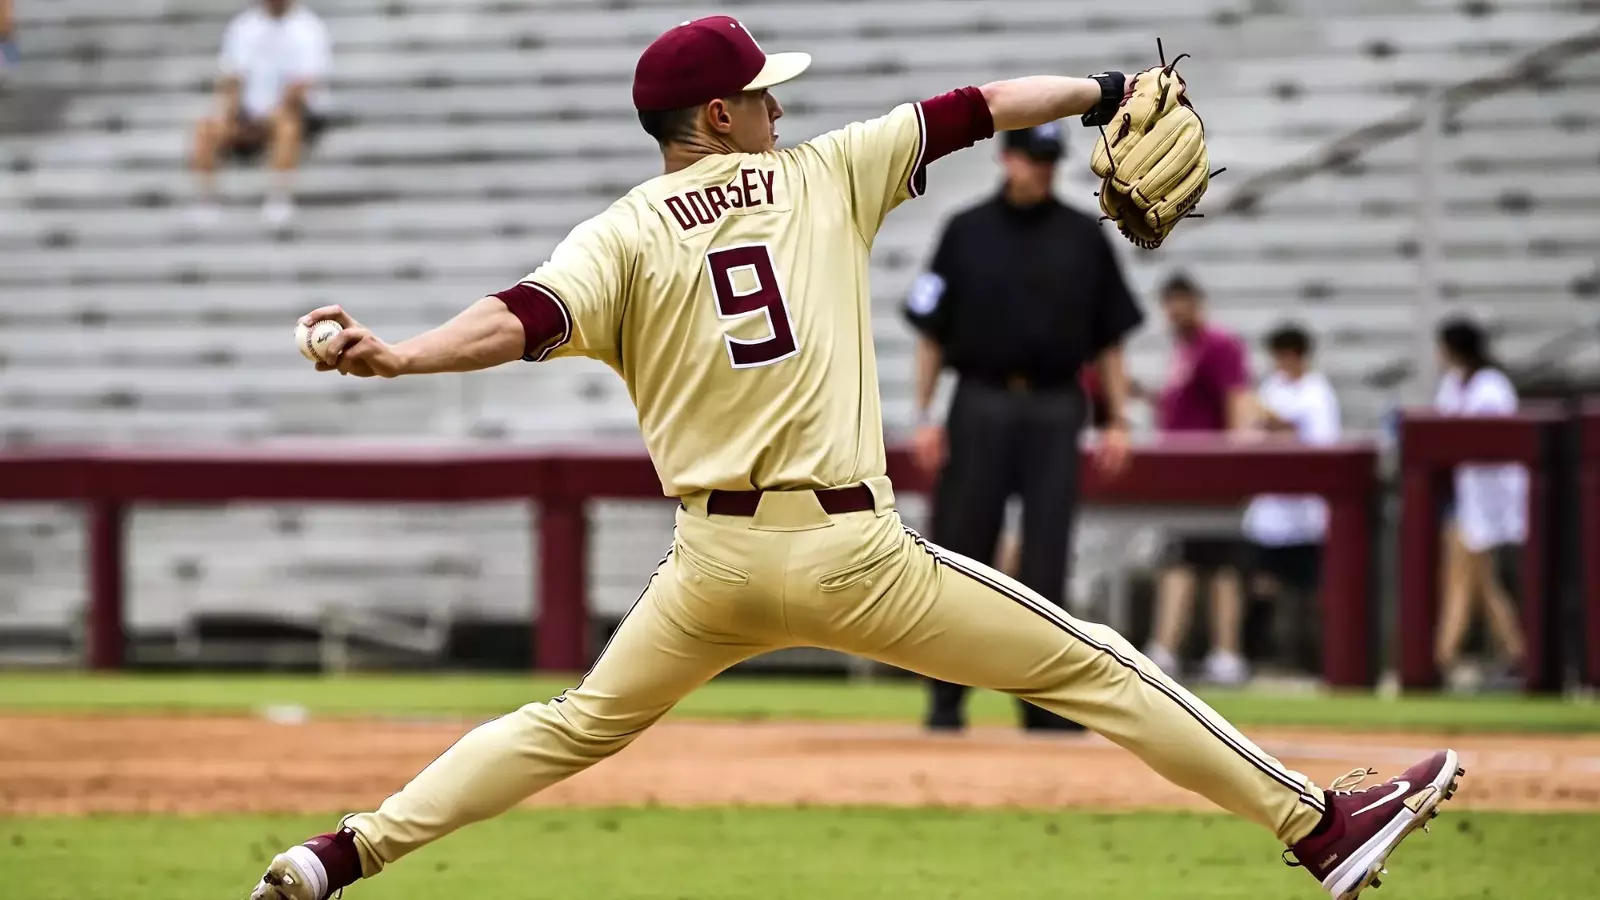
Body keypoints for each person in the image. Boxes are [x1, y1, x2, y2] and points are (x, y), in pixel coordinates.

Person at [247, 17, 1460, 900]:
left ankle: (341, 853)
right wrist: (1103, 88)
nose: (778, 105)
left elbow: (516, 319)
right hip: (847, 551)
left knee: (571, 723)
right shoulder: (822, 171)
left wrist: (398, 358)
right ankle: (1315, 825)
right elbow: (982, 106)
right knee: (1093, 664)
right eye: (762, 92)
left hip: (710, 565)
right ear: (719, 116)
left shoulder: (614, 233)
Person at [903, 123, 1142, 734]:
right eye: (1032, 158)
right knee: (959, 555)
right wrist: (925, 416)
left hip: (1056, 405)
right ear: (1006, 158)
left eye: (1050, 160)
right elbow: (931, 333)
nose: (1042, 170)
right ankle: (946, 699)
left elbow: (1108, 340)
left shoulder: (1081, 238)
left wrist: (1117, 419)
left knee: (1046, 560)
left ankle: (1046, 705)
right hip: (979, 400)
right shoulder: (965, 231)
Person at [1139, 273, 1254, 685]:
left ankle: (1219, 652)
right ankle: (1173, 648)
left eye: (1180, 301)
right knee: (1185, 559)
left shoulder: (1218, 345)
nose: (1173, 311)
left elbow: (1237, 401)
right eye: (1168, 302)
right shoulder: (1183, 352)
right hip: (1183, 474)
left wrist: (1234, 463)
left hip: (1210, 473)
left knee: (1215, 564)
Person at [1239, 324, 1340, 671]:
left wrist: (1282, 426)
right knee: (1262, 586)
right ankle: (1255, 658)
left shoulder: (1317, 394)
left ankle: (1318, 662)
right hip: (1271, 512)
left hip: (1306, 514)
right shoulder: (1273, 388)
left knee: (1312, 593)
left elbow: (1321, 445)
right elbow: (1253, 435)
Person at [1432, 317, 1526, 689]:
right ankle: (1516, 651)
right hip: (1462, 491)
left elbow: (1485, 438)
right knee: (1480, 581)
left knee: (1464, 578)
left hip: (1490, 492)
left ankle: (1443, 656)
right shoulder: (1454, 384)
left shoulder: (1492, 387)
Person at [191, 0, 332, 227]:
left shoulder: (308, 29)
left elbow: (303, 84)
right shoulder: (244, 27)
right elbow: (232, 76)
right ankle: (207, 198)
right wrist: (232, 113)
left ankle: (279, 196)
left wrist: (271, 114)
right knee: (206, 128)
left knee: (286, 125)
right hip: (249, 112)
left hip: (293, 112)